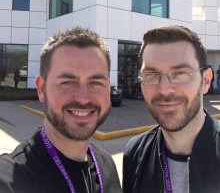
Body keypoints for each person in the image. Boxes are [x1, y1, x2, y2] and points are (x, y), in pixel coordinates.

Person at [0, 27, 122, 193]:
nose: (83, 98)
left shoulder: (106, 164)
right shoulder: (10, 179)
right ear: (41, 89)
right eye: (67, 82)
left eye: (96, 83)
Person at [123, 25, 220, 193]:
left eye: (180, 73)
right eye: (151, 75)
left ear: (205, 81)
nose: (164, 89)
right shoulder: (135, 154)